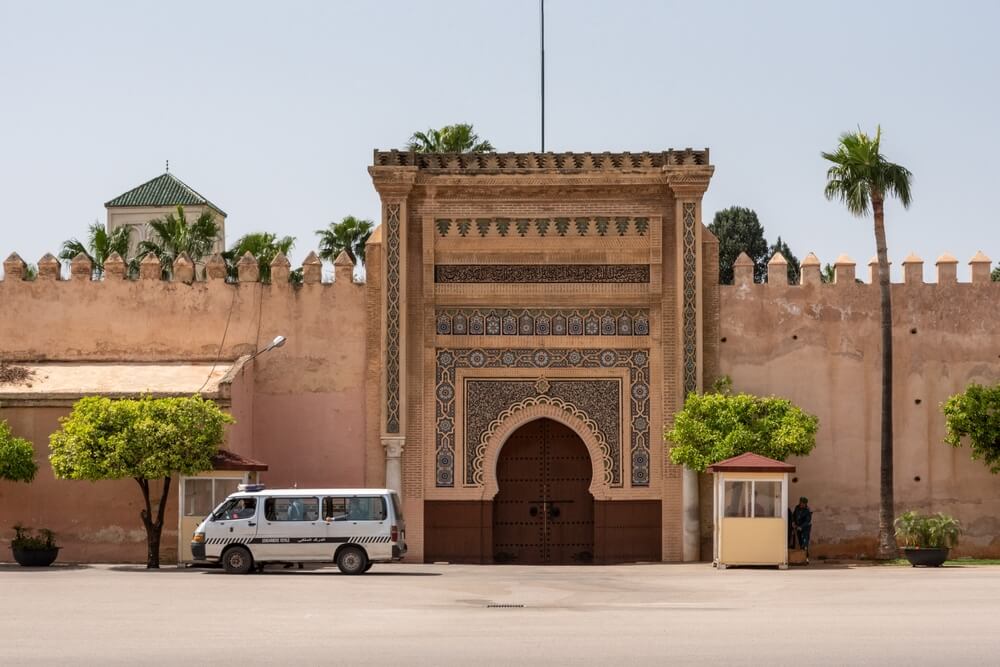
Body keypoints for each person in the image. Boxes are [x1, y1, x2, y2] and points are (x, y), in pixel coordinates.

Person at [791, 497, 813, 562]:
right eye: (801, 503)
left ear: (806, 504)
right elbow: (794, 515)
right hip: (798, 528)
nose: (801, 504)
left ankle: (806, 558)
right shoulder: (797, 508)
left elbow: (808, 521)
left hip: (805, 528)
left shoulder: (807, 510)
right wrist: (793, 522)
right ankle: (802, 557)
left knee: (805, 542)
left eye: (803, 503)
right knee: (801, 542)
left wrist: (801, 527)